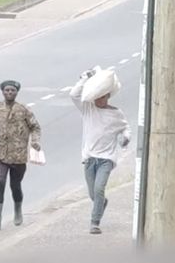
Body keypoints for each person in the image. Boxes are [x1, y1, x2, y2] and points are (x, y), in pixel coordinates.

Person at [69, 68, 131, 235]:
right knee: (93, 193)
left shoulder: (116, 114)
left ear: (107, 96)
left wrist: (125, 138)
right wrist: (84, 78)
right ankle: (101, 203)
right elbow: (74, 95)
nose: (99, 100)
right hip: (90, 158)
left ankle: (94, 223)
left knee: (98, 189)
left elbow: (125, 128)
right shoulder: (88, 109)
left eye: (102, 97)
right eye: (97, 97)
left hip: (106, 159)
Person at [0, 80, 42, 230]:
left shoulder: (23, 109)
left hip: (18, 156)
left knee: (15, 186)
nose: (9, 93)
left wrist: (35, 142)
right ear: (2, 92)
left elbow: (35, 127)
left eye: (12, 91)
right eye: (7, 90)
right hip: (0, 154)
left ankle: (17, 209)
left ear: (16, 92)